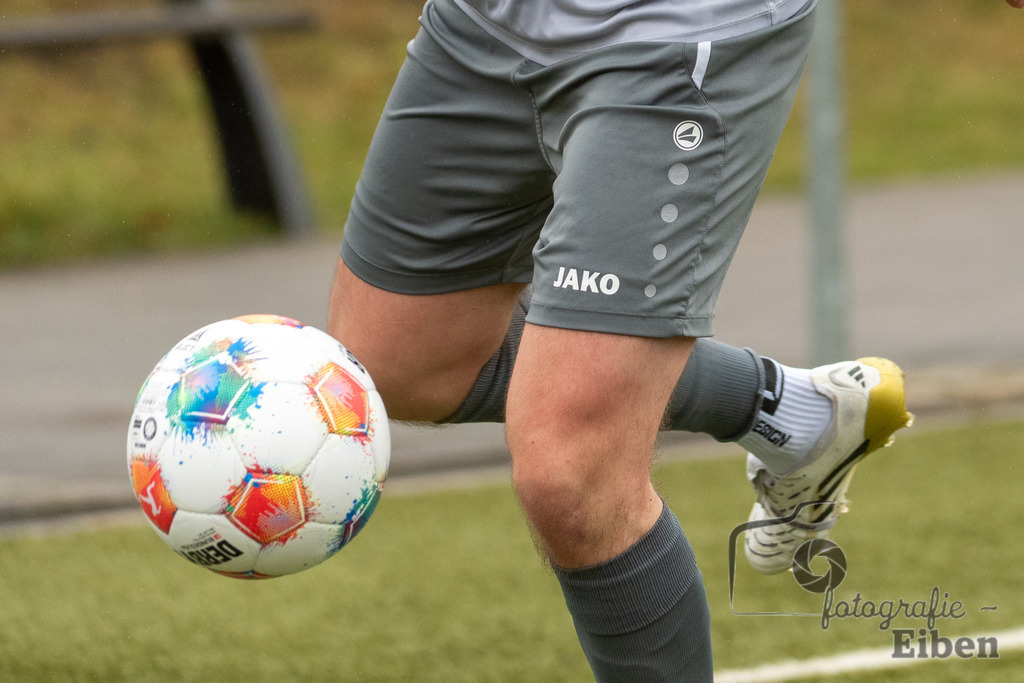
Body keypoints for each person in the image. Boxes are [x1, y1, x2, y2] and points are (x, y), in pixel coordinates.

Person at [328, 0, 1020, 679]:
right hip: (485, 22)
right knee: (389, 366)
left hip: (680, 36)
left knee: (572, 474)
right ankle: (784, 408)